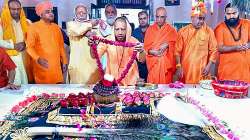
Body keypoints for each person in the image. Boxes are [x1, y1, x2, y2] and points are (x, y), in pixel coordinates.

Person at [89, 17, 145, 86]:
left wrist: (142, 51)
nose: (120, 32)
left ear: (127, 30)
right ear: (113, 30)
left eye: (123, 29)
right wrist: (92, 46)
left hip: (131, 83)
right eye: (117, 29)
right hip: (111, 82)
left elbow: (142, 60)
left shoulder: (133, 41)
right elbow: (94, 56)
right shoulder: (107, 40)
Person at [174, 1, 217, 84]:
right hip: (186, 71)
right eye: (199, 18)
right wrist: (178, 66)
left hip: (202, 71)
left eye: (203, 19)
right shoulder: (183, 31)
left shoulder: (209, 31)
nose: (201, 21)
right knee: (187, 95)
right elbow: (177, 51)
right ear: (192, 17)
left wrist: (208, 67)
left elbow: (214, 50)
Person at [26, 1, 68, 84]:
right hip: (42, 67)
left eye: (51, 11)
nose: (51, 13)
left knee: (58, 93)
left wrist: (65, 61)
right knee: (43, 94)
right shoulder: (33, 27)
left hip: (56, 68)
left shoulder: (56, 27)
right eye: (47, 12)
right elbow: (29, 47)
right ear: (41, 14)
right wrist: (38, 59)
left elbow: (61, 46)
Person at [214, 3, 250, 83]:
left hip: (245, 73)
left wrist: (248, 45)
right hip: (226, 73)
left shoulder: (247, 24)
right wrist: (236, 48)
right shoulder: (220, 27)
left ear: (238, 13)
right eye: (228, 14)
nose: (231, 16)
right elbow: (219, 48)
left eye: (234, 13)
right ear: (225, 14)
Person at [67, 4, 100, 84]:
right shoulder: (71, 25)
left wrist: (93, 37)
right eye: (79, 12)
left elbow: (98, 41)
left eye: (83, 12)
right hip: (77, 65)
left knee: (92, 93)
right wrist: (90, 25)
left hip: (91, 66)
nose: (81, 14)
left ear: (87, 14)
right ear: (75, 14)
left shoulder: (95, 27)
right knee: (76, 94)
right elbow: (77, 31)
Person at [144, 7, 177, 84]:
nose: (159, 19)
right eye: (157, 17)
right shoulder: (149, 29)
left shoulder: (171, 30)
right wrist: (152, 52)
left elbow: (177, 46)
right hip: (153, 64)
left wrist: (168, 44)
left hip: (166, 66)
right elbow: (145, 48)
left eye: (162, 17)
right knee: (153, 89)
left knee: (165, 91)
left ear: (166, 17)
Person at [0, 0, 29, 84]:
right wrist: (13, 45)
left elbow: (32, 39)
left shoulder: (27, 22)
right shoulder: (1, 22)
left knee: (25, 83)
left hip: (25, 57)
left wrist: (25, 44)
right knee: (15, 83)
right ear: (7, 9)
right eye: (13, 9)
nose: (16, 11)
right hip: (10, 58)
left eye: (18, 9)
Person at [132, 11, 149, 82]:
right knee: (140, 86)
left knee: (151, 86)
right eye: (140, 19)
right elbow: (132, 47)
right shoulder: (134, 32)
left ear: (147, 18)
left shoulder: (153, 30)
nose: (142, 20)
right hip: (139, 65)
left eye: (144, 18)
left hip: (150, 63)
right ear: (138, 20)